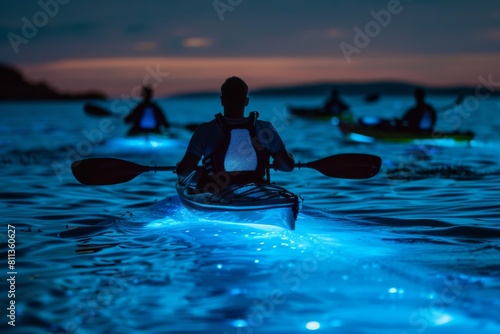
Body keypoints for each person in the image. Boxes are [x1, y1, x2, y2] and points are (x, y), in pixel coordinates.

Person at [176, 76, 295, 190]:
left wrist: (180, 167)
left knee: (192, 177)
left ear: (222, 101)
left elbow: (184, 172)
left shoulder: (205, 130)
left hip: (218, 188)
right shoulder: (265, 128)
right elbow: (287, 167)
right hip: (256, 186)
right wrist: (285, 159)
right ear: (246, 101)